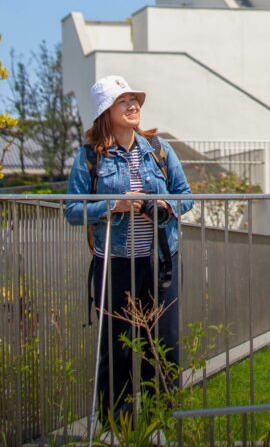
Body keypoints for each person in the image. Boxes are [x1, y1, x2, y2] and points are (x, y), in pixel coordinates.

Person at [65, 75, 193, 422]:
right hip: (115, 264)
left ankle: (161, 423)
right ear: (106, 111)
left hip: (160, 262)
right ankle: (119, 426)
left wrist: (165, 207)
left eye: (135, 99)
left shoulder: (159, 149)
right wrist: (113, 205)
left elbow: (186, 197)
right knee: (118, 349)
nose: (133, 105)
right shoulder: (90, 156)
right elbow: (72, 211)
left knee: (162, 346)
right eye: (123, 100)